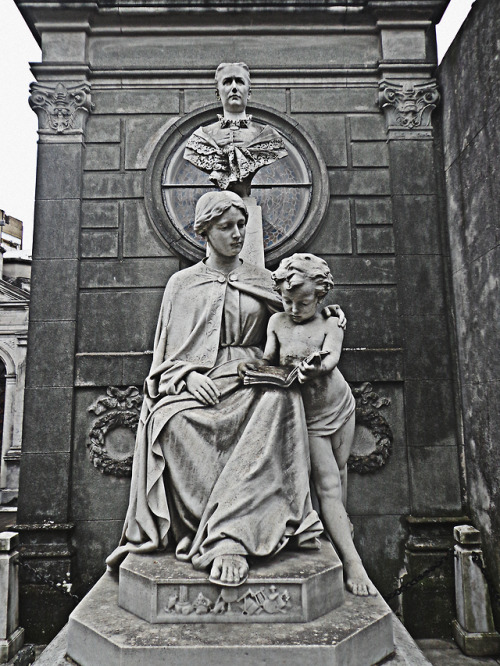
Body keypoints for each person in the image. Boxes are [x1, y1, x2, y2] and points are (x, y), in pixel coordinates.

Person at [106, 192, 341, 586]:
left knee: (281, 401)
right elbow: (165, 354)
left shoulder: (266, 281)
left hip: (253, 375)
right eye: (226, 227)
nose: (237, 234)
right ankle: (208, 525)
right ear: (205, 231)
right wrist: (186, 377)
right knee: (173, 420)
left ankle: (232, 535)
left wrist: (327, 315)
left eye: (241, 225)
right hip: (202, 380)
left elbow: (297, 321)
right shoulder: (182, 284)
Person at [240, 253, 377, 596]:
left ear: (320, 296)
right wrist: (251, 368)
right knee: (328, 484)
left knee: (340, 474)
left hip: (341, 406)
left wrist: (318, 366)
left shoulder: (331, 324)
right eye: (287, 301)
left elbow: (331, 357)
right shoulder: (277, 324)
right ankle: (352, 562)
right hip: (310, 418)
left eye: (302, 302)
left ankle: (335, 533)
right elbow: (269, 358)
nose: (294, 308)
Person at [184, 62, 287, 196]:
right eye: (227, 82)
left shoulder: (267, 135)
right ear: (217, 93)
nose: (234, 87)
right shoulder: (201, 138)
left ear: (249, 93)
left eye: (239, 82)